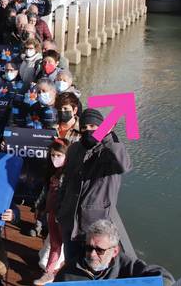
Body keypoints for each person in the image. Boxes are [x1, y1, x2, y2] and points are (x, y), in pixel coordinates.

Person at [56, 108, 132, 265]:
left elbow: (123, 165)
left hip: (95, 226)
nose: (88, 130)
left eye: (93, 126)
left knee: (93, 269)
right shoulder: (75, 149)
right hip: (70, 222)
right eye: (84, 127)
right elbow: (67, 180)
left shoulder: (109, 150)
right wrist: (61, 207)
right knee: (72, 265)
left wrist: (107, 137)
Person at [55, 219, 174, 284]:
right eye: (89, 247)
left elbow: (161, 275)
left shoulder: (127, 265)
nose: (92, 254)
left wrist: (165, 282)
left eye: (100, 250)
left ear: (115, 251)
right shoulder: (67, 274)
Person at [33, 138, 70, 285]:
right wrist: (39, 207)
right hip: (51, 213)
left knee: (63, 246)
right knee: (55, 244)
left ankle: (55, 271)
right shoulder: (52, 172)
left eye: (59, 155)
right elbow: (45, 191)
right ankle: (50, 272)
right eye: (53, 155)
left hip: (63, 216)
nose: (55, 158)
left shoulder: (70, 174)